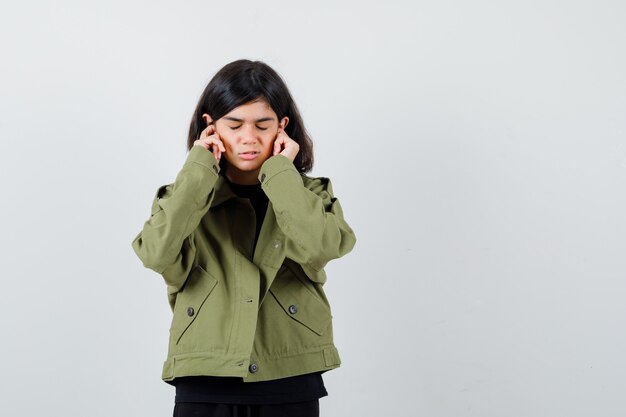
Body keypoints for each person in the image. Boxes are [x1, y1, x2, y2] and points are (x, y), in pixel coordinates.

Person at [131, 59, 356, 417]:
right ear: (211, 126)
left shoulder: (310, 194)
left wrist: (281, 173)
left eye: (262, 125)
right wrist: (198, 169)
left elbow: (324, 246)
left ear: (282, 127)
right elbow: (156, 253)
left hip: (289, 371)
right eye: (234, 125)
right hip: (205, 374)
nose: (248, 138)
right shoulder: (184, 197)